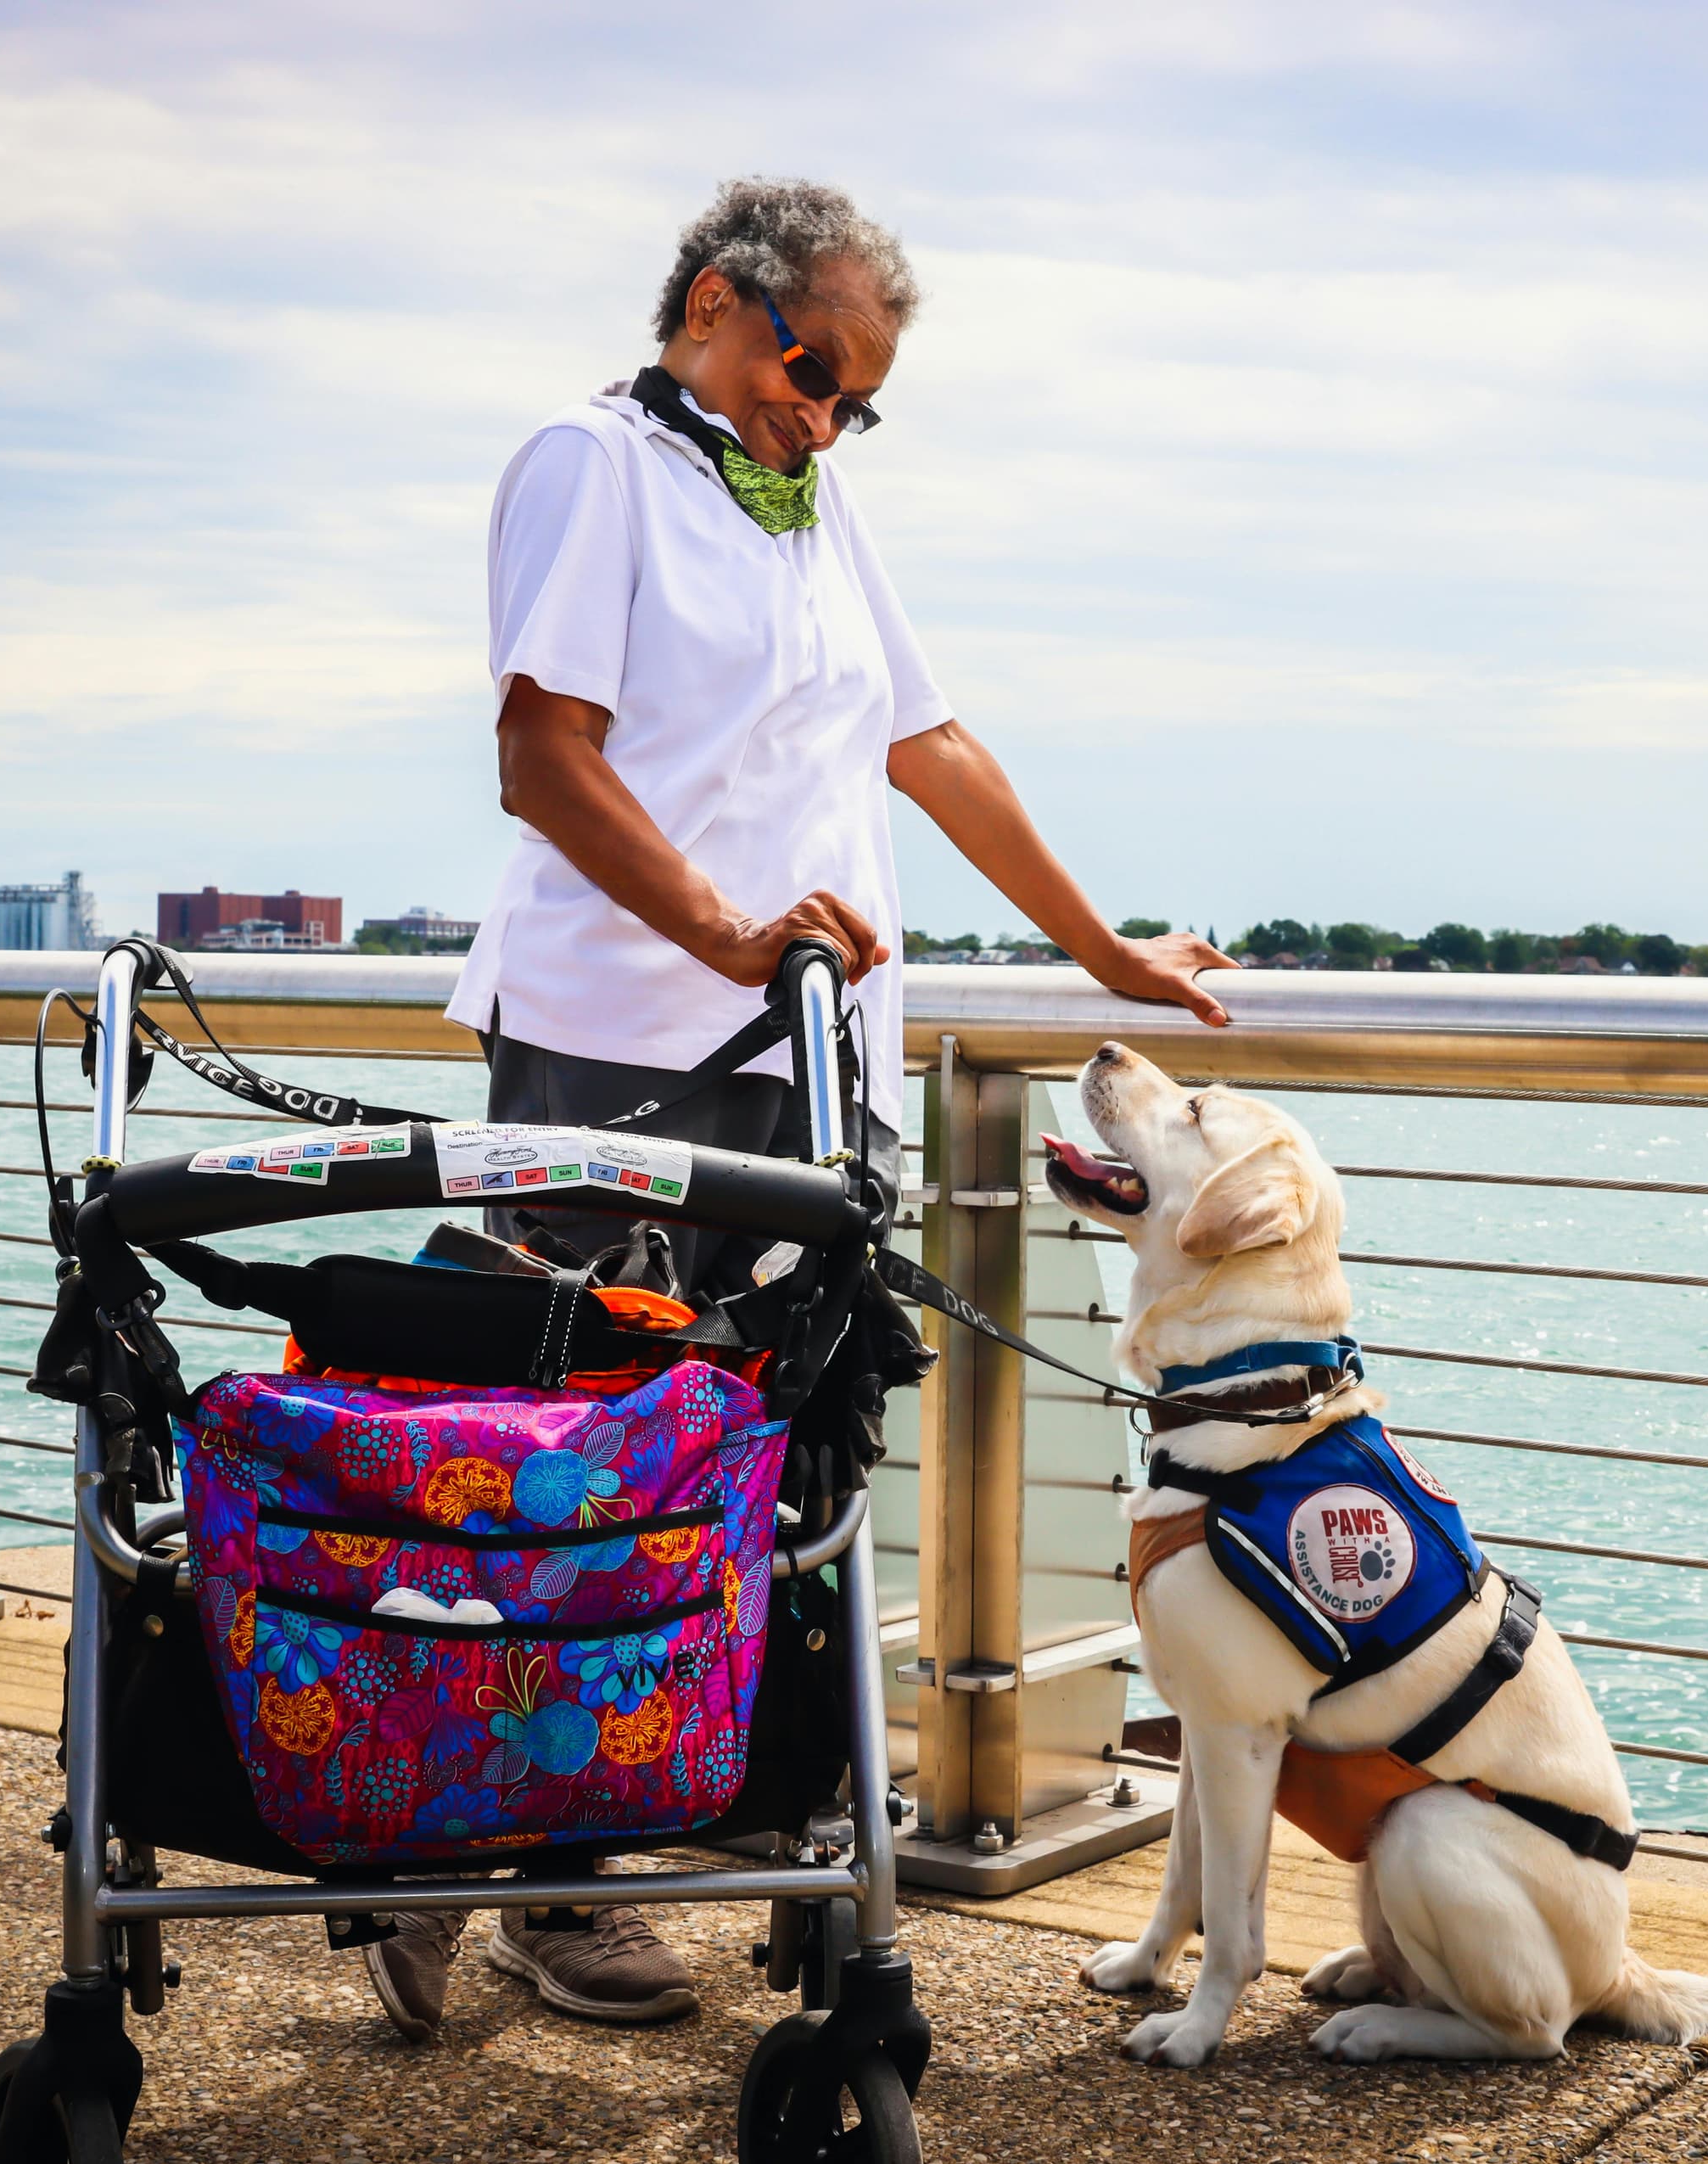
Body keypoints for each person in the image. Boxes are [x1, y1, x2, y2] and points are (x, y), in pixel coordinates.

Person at [360, 177, 1234, 2043]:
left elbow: (923, 740)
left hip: (810, 1068)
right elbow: (541, 752)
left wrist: (1102, 952)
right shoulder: (591, 465)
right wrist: (729, 931)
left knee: (758, 1461)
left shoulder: (813, 500)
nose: (826, 417)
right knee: (570, 1462)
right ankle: (498, 1867)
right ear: (709, 304)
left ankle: (692, 1819)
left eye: (860, 399)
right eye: (810, 371)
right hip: (622, 1048)